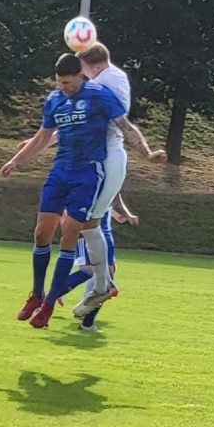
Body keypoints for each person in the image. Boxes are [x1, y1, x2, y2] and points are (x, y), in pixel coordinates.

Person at [0, 53, 165, 329]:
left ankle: (49, 304)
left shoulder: (99, 95)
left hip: (87, 173)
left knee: (70, 234)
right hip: (60, 170)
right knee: (41, 233)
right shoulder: (54, 99)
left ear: (81, 76)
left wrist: (148, 154)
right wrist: (15, 161)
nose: (64, 87)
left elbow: (125, 127)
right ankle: (36, 294)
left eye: (68, 82)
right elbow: (43, 137)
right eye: (59, 83)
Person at [75, 42, 133, 314]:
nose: (82, 75)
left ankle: (100, 285)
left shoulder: (103, 83)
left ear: (96, 65)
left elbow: (90, 120)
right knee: (89, 222)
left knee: (88, 222)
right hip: (107, 156)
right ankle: (97, 287)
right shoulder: (115, 77)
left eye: (84, 69)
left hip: (105, 156)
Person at [73, 195, 139, 332]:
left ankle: (85, 314)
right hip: (93, 234)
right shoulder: (101, 183)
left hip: (99, 233)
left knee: (102, 275)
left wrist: (125, 215)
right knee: (93, 274)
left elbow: (115, 201)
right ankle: (51, 299)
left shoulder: (102, 186)